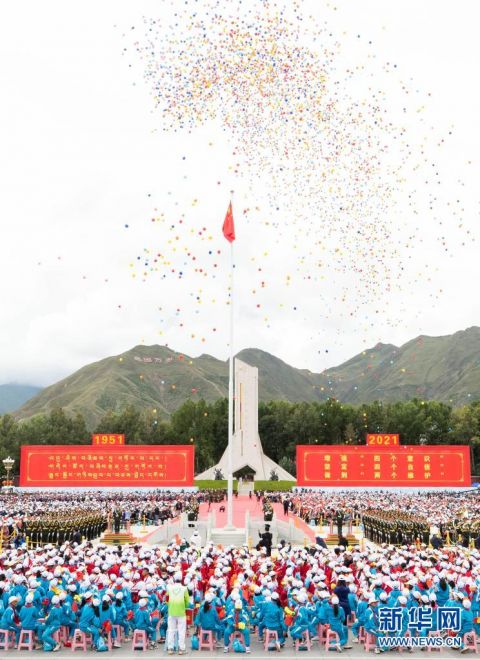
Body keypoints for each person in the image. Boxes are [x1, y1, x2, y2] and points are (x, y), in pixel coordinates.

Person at [166, 571, 190, 655]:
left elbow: (167, 599)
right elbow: (187, 601)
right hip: (181, 612)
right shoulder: (184, 588)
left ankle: (170, 648)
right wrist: (184, 606)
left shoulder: (169, 588)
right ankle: (181, 649)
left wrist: (170, 605)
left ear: (174, 579)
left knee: (171, 630)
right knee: (181, 631)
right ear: (181, 579)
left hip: (171, 611)